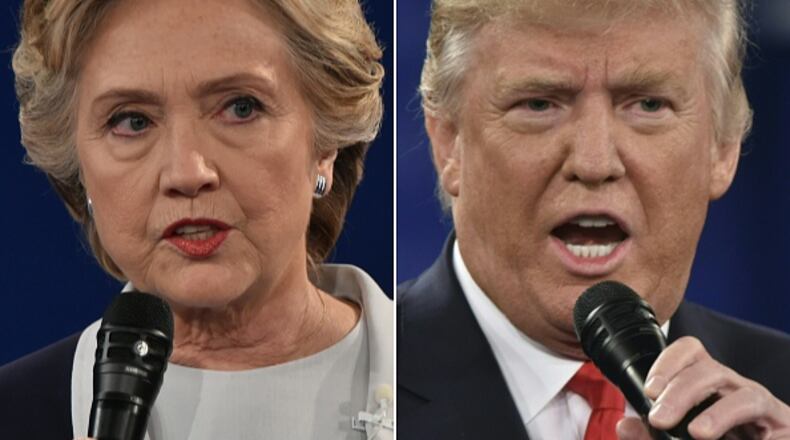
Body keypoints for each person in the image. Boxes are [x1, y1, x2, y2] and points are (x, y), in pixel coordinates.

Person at [0, 0, 393, 439]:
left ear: (325, 146)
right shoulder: (13, 413)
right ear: (79, 168)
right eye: (131, 121)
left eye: (241, 108)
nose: (187, 173)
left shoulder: (446, 374)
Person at [398, 0, 790, 439]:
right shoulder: (355, 384)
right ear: (448, 143)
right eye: (540, 104)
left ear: (723, 147)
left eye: (648, 104)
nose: (594, 161)